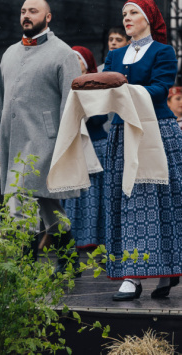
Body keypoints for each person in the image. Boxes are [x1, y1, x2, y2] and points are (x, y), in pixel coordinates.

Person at [0, 0, 81, 274]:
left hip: (45, 142)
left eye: (33, 11)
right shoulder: (10, 53)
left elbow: (71, 104)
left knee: (20, 200)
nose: (26, 15)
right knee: (48, 204)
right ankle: (70, 259)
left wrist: (65, 145)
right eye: (23, 11)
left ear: (48, 17)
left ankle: (23, 266)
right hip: (11, 140)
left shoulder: (63, 53)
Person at [103, 0, 182, 300]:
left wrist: (124, 91)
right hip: (123, 132)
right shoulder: (114, 55)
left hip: (154, 131)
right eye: (124, 13)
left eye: (133, 12)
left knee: (162, 201)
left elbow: (160, 89)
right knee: (127, 202)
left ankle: (168, 267)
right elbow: (106, 93)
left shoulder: (163, 51)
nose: (126, 17)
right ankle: (131, 275)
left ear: (148, 18)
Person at [64, 46, 107, 249]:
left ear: (87, 64)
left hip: (95, 146)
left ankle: (94, 241)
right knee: (74, 195)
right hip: (73, 147)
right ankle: (72, 242)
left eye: (78, 59)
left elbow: (100, 118)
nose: (73, 63)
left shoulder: (97, 86)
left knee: (93, 196)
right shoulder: (64, 85)